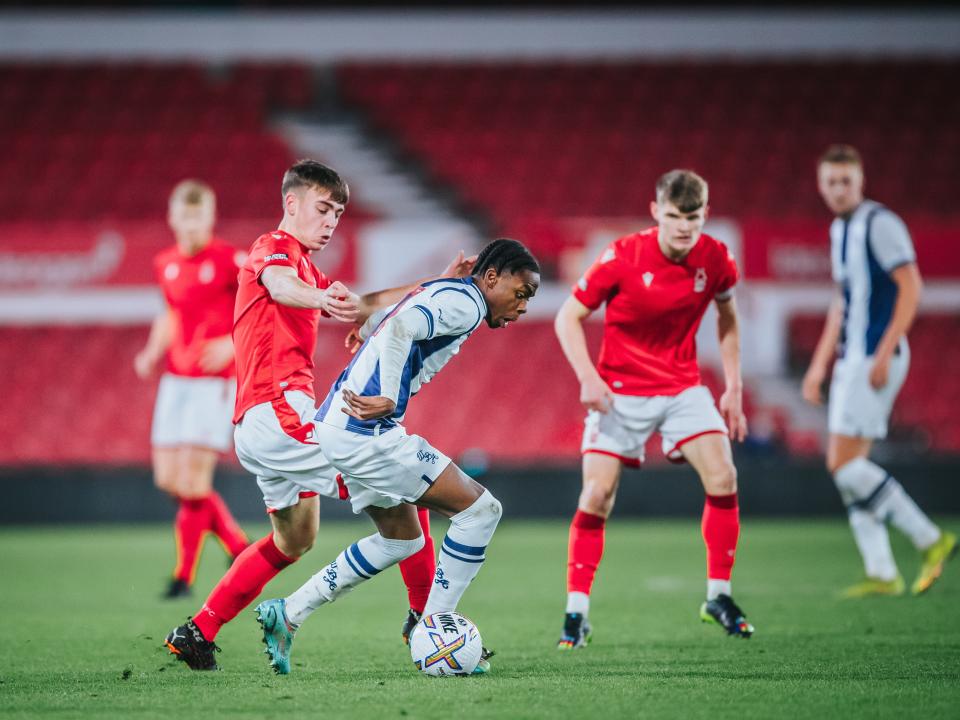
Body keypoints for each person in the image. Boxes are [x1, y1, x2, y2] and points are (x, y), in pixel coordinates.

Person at [164, 160, 469, 670]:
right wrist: (317, 297)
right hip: (279, 411)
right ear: (292, 203)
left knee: (295, 538)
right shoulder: (274, 248)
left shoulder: (308, 267)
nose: (331, 221)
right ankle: (425, 625)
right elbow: (281, 286)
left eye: (338, 213)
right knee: (400, 493)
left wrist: (436, 284)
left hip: (263, 424)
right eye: (323, 209)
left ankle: (197, 632)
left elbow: (366, 304)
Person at [253, 238, 540, 675]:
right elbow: (405, 326)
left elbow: (400, 314)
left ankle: (289, 612)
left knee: (403, 540)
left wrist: (368, 331)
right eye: (520, 294)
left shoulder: (450, 292)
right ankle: (435, 627)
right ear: (492, 278)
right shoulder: (468, 304)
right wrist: (388, 393)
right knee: (481, 510)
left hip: (338, 426)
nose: (521, 308)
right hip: (365, 432)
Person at [554, 170, 753, 648]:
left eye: (692, 217)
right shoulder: (623, 256)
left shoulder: (716, 259)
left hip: (683, 386)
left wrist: (733, 387)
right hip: (620, 390)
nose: (683, 227)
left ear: (705, 214)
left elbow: (727, 317)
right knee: (596, 496)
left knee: (723, 477)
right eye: (673, 216)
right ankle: (576, 613)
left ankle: (718, 597)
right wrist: (589, 377)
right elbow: (568, 316)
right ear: (655, 212)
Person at [801, 144, 956, 598]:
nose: (837, 190)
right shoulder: (838, 230)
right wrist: (817, 365)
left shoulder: (880, 223)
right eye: (830, 182)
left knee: (843, 464)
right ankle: (882, 571)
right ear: (820, 184)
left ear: (860, 181)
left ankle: (930, 539)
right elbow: (842, 302)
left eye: (845, 181)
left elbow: (911, 286)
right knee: (851, 466)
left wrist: (885, 351)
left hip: (872, 357)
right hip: (854, 357)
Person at [134, 180, 249, 599]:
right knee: (169, 480)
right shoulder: (164, 262)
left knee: (194, 482)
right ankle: (238, 546)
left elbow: (260, 311)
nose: (191, 225)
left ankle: (183, 577)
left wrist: (232, 344)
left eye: (199, 216)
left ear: (211, 218)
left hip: (213, 384)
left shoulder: (230, 260)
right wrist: (151, 351)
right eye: (184, 215)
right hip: (175, 380)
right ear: (172, 217)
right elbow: (169, 313)